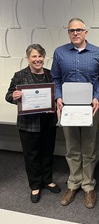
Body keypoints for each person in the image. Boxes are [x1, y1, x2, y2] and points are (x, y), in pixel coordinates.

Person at [51, 17, 99, 209]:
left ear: (86, 32)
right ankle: (73, 183)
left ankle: (88, 185)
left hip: (90, 107)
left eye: (78, 30)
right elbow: (55, 78)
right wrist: (58, 97)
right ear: (68, 33)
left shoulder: (98, 53)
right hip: (68, 108)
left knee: (89, 147)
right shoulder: (59, 53)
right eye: (71, 30)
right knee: (72, 147)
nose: (75, 33)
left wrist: (97, 97)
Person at [5, 44, 61, 203]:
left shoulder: (50, 75)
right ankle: (35, 185)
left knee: (47, 152)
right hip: (28, 123)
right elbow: (8, 95)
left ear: (44, 58)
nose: (37, 60)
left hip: (48, 121)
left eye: (40, 56)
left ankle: (47, 180)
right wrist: (14, 95)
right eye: (34, 56)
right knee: (32, 155)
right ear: (28, 58)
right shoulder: (20, 75)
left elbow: (56, 94)